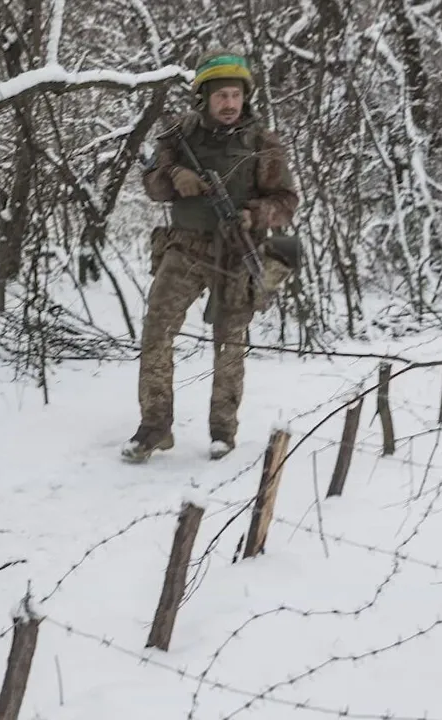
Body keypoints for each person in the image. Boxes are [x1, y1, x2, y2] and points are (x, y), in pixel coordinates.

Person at [122, 49, 301, 464]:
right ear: (203, 97)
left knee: (230, 342)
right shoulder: (178, 137)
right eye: (220, 95)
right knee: (157, 331)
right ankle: (154, 428)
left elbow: (288, 201)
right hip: (184, 246)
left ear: (245, 98)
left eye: (235, 95)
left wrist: (252, 213)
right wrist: (173, 177)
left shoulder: (262, 143)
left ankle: (223, 431)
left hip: (238, 250)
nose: (229, 104)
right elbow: (151, 184)